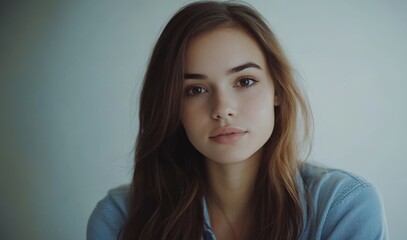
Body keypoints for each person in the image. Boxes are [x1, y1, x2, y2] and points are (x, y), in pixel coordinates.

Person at [87, 1, 388, 239]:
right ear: (171, 106)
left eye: (244, 81)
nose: (223, 109)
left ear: (277, 91)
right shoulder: (120, 219)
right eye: (195, 89)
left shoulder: (343, 207)